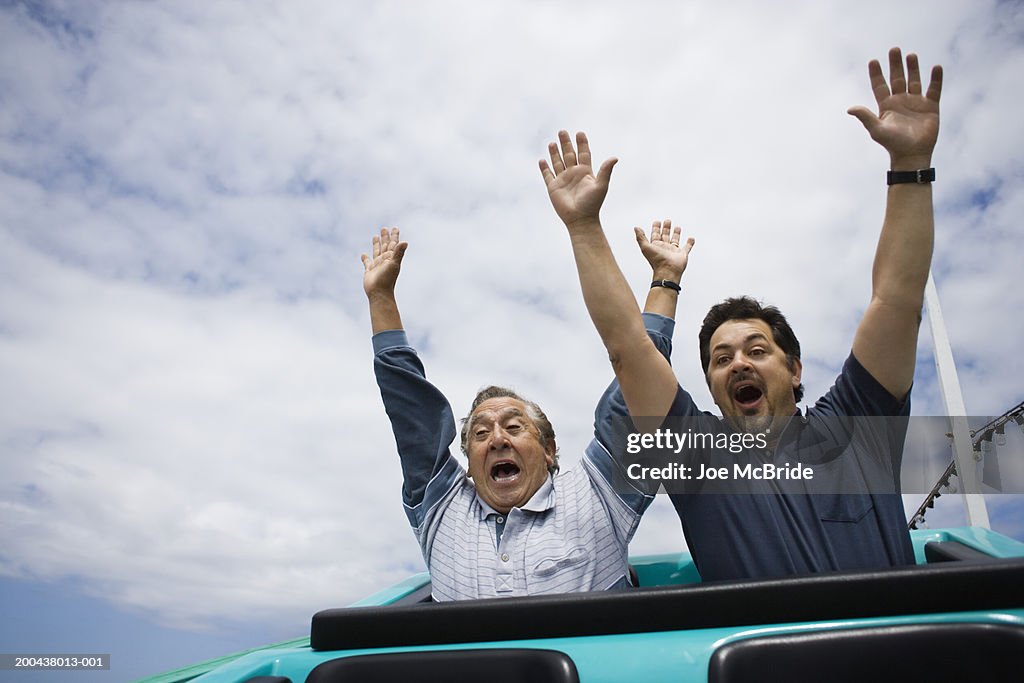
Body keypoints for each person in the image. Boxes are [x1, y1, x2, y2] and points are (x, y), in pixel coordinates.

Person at [540, 47, 941, 581]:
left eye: (757, 350)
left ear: (795, 369)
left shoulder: (858, 426)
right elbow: (628, 347)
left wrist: (910, 166)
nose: (739, 365)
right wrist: (584, 227)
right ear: (709, 383)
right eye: (721, 358)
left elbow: (897, 300)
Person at [362, 220, 693, 600]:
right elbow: (411, 412)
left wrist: (665, 279)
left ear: (550, 450)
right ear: (469, 463)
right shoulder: (442, 507)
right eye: (481, 434)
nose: (498, 439)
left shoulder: (597, 492)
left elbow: (636, 380)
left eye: (514, 427)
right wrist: (381, 297)